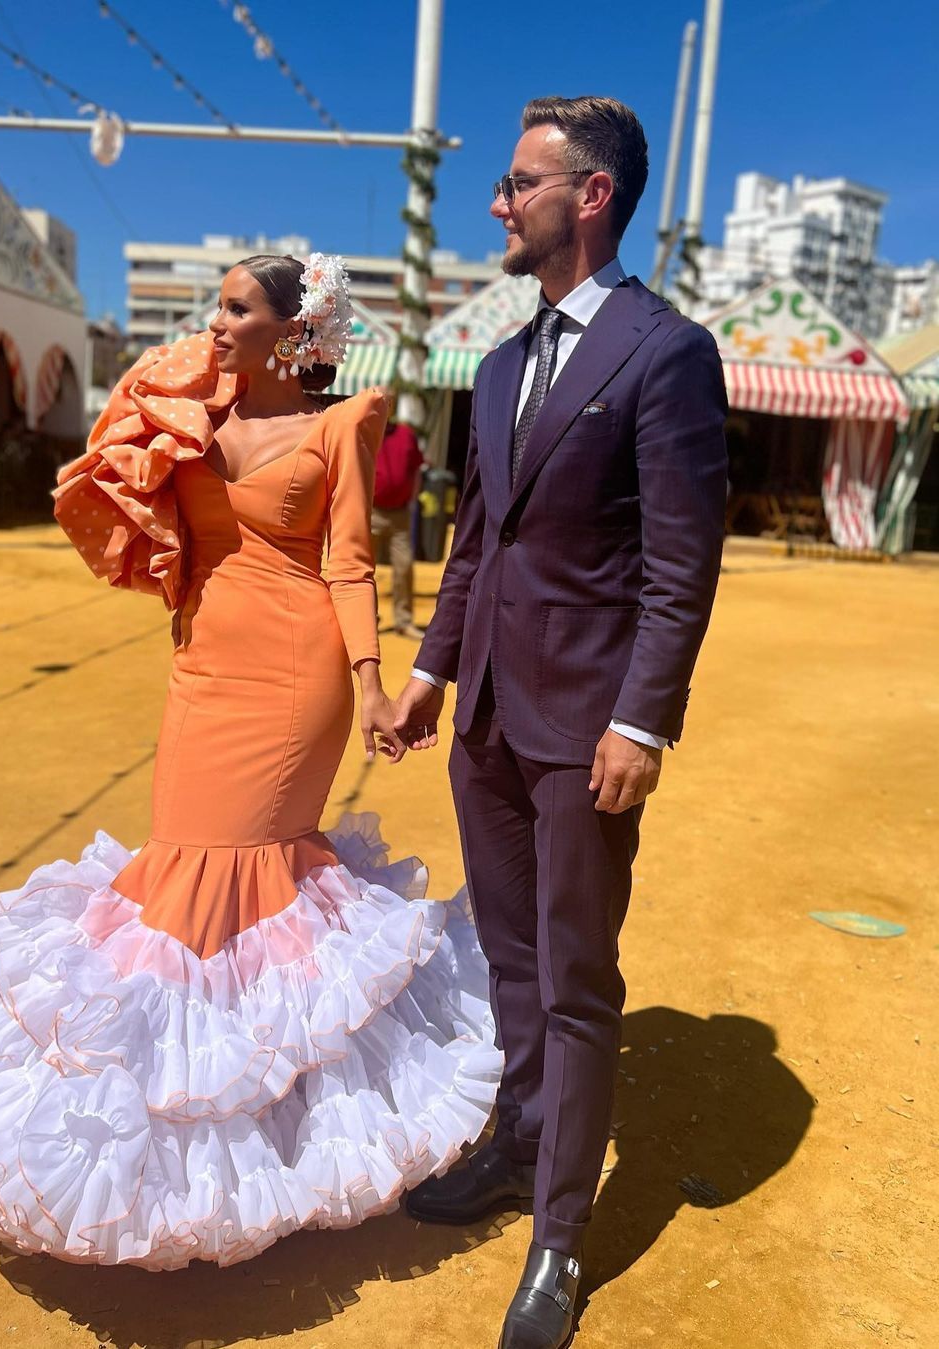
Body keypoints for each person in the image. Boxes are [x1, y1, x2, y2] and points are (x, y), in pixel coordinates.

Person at [0, 254, 502, 1271]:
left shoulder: (342, 426)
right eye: (214, 305)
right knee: (177, 866)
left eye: (235, 308)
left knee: (241, 881)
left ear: (291, 331)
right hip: (201, 665)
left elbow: (349, 562)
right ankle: (183, 1125)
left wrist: (374, 683)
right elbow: (107, 474)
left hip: (295, 673)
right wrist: (170, 404)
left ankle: (251, 1153)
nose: (214, 323)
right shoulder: (187, 408)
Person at [393, 97, 728, 1348]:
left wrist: (643, 721)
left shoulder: (665, 351)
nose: (497, 202)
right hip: (485, 716)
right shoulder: (496, 367)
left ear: (589, 196)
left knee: (576, 973)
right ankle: (519, 1141)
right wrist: (431, 670)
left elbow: (681, 563)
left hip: (589, 728)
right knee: (510, 957)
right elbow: (477, 544)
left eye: (516, 183)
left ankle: (560, 1235)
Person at [371, 395, 425, 638]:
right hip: (371, 512)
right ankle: (367, 620)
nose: (385, 407)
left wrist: (413, 498)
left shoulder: (406, 435)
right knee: (364, 570)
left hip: (400, 514)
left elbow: (416, 468)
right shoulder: (366, 430)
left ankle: (404, 621)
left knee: (404, 567)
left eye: (388, 403)